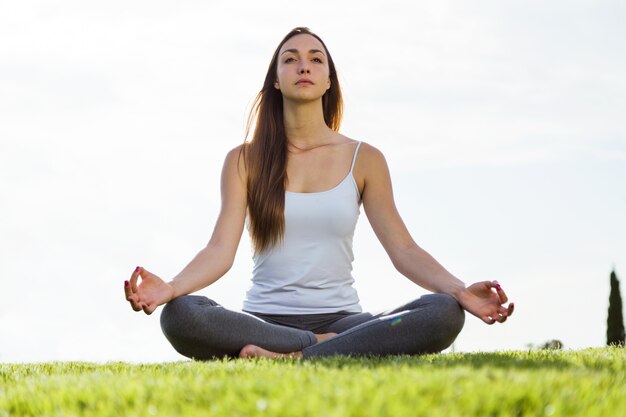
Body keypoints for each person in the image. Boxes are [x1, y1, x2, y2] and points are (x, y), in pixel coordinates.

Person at [123, 27, 514, 360]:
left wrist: (460, 291)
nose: (304, 65)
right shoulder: (244, 160)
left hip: (345, 320)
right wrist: (172, 288)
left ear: (329, 80)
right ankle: (322, 348)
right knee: (181, 315)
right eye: (290, 59)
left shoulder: (365, 159)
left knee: (442, 312)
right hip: (264, 322)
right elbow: (218, 251)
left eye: (316, 59)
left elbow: (405, 251)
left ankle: (298, 356)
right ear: (276, 80)